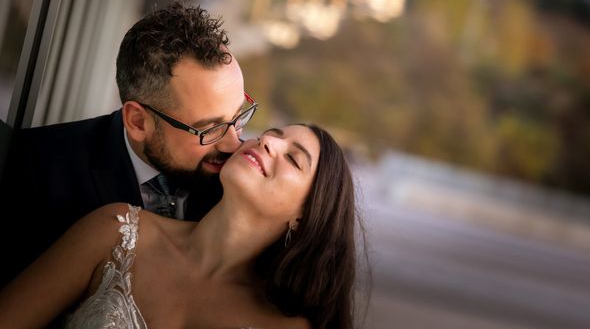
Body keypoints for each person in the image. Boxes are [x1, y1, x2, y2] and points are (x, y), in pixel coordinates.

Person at [0, 123, 358, 329]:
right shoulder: (117, 232)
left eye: (293, 158)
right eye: (271, 133)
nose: (268, 141)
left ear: (305, 216)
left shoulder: (289, 326)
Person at [0, 0, 256, 287]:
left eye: (238, 117)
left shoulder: (246, 182)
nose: (234, 144)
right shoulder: (36, 169)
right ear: (137, 121)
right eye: (210, 128)